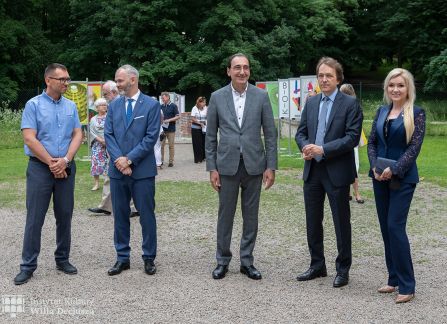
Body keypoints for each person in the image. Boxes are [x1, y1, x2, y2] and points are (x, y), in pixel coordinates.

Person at [206, 53, 277, 280]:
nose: (242, 71)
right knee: (225, 216)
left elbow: (270, 134)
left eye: (246, 67)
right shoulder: (217, 97)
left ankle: (247, 261)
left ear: (250, 71)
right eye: (237, 67)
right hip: (226, 166)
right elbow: (210, 137)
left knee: (251, 217)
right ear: (229, 71)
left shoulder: (261, 96)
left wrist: (271, 166)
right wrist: (212, 168)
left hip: (255, 165)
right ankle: (222, 261)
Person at [295, 57, 363, 288]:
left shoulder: (350, 104)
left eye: (329, 76)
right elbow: (301, 132)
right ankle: (317, 265)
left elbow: (352, 138)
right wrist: (305, 147)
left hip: (337, 171)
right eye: (321, 75)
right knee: (313, 221)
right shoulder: (311, 103)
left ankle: (343, 269)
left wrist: (323, 149)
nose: (324, 80)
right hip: (313, 170)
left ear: (338, 78)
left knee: (341, 222)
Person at [14, 63, 83, 285]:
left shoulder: (71, 106)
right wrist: (51, 162)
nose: (66, 83)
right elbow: (29, 138)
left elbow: (77, 134)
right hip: (40, 168)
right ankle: (28, 265)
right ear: (48, 80)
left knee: (64, 215)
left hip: (65, 166)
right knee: (35, 217)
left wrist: (65, 161)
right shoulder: (32, 105)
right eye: (62, 79)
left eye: (67, 79)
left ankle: (62, 259)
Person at [367, 68, 425, 304]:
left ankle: (407, 284)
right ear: (386, 88)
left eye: (400, 85)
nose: (395, 89)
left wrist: (396, 169)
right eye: (392, 85)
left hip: (403, 178)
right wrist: (373, 166)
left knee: (395, 227)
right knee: (385, 228)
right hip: (379, 178)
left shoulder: (417, 113)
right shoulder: (381, 111)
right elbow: (371, 142)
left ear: (408, 88)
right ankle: (393, 278)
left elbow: (414, 148)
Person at [104, 64, 160, 276]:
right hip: (117, 171)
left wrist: (129, 160)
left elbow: (150, 137)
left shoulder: (151, 106)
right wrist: (119, 160)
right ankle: (122, 257)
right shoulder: (114, 105)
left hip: (142, 171)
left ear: (133, 80)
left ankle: (148, 257)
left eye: (119, 80)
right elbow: (108, 135)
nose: (117, 84)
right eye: (116, 81)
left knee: (146, 215)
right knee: (119, 214)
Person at [87, 81, 139, 217]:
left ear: (114, 92)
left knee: (130, 175)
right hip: (114, 148)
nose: (104, 98)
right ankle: (106, 206)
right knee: (110, 175)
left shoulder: (127, 104)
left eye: (105, 94)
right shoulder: (113, 106)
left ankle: (134, 208)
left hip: (127, 148)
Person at [339, 83, 365, 203]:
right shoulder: (337, 107)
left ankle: (357, 193)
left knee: (354, 168)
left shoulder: (355, 108)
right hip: (339, 144)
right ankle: (348, 192)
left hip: (350, 144)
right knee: (343, 169)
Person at [89, 97, 108, 191]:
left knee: (108, 163)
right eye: (102, 105)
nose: (105, 106)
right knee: (95, 163)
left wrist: (107, 140)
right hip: (97, 145)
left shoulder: (110, 117)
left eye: (105, 105)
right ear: (97, 107)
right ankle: (96, 183)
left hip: (109, 144)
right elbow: (91, 131)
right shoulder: (93, 119)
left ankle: (107, 182)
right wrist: (100, 140)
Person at [160, 92, 180, 167]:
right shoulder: (161, 106)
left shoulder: (173, 106)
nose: (162, 99)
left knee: (171, 146)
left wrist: (169, 120)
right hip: (162, 129)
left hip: (171, 129)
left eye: (163, 98)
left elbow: (178, 116)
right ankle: (161, 160)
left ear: (168, 97)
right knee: (161, 145)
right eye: (161, 98)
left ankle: (171, 161)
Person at [190, 96, 207, 163]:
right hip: (195, 128)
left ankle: (203, 157)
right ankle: (197, 159)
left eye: (205, 102)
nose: (205, 103)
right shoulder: (194, 108)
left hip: (204, 128)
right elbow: (193, 118)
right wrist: (199, 123)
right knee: (197, 143)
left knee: (204, 143)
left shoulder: (206, 108)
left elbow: (208, 116)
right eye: (204, 102)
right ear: (200, 102)